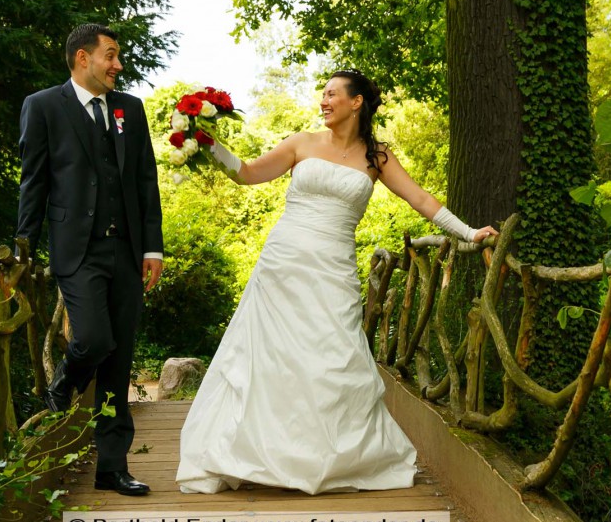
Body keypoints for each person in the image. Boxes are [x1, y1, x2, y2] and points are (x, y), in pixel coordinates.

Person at [175, 69, 497, 495]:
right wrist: (206, 139)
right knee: (271, 356)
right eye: (322, 94)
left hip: (333, 267)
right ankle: (256, 455)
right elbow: (248, 173)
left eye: (331, 94)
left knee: (334, 356)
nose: (323, 100)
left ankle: (327, 457)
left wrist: (469, 232)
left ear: (356, 101)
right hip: (284, 262)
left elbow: (420, 199)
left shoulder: (377, 156)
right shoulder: (300, 142)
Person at [17, 23, 163, 496]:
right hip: (75, 249)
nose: (118, 65)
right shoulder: (42, 106)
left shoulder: (130, 110)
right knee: (95, 339)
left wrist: (152, 247)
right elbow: (33, 180)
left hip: (126, 250)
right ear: (83, 58)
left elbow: (145, 180)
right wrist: (23, 245)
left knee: (119, 361)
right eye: (111, 56)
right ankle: (63, 384)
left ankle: (112, 467)